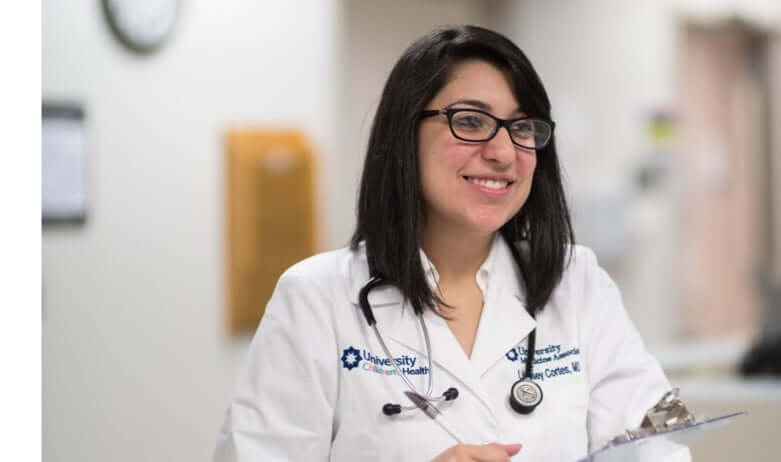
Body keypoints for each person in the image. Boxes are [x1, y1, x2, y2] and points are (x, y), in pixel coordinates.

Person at [213, 25, 690, 462]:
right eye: (471, 121)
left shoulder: (578, 282)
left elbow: (659, 444)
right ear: (405, 134)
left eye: (522, 128)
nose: (503, 152)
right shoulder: (316, 298)